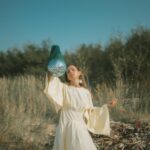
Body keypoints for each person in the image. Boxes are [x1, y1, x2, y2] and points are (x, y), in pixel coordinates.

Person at [44, 64, 116, 150]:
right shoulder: (64, 88)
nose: (70, 72)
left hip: (79, 127)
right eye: (67, 71)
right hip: (65, 128)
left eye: (73, 69)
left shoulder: (86, 93)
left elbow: (91, 112)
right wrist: (52, 67)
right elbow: (51, 82)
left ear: (79, 73)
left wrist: (106, 106)